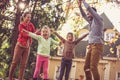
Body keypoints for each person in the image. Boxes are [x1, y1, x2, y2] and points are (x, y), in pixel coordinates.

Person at [77, 0, 104, 80]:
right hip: (91, 46)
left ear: (93, 13)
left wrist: (83, 1)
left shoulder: (99, 20)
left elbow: (89, 8)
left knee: (93, 67)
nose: (87, 15)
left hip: (97, 45)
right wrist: (79, 7)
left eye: (89, 13)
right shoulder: (91, 22)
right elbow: (84, 16)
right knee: (86, 67)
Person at [9, 12, 36, 80]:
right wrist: (31, 34)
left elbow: (34, 33)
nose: (29, 19)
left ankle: (20, 78)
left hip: (27, 47)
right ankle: (10, 77)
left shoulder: (31, 25)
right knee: (14, 62)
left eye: (30, 17)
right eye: (27, 17)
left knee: (23, 65)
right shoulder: (21, 25)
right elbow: (24, 34)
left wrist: (41, 33)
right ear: (24, 17)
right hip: (20, 46)